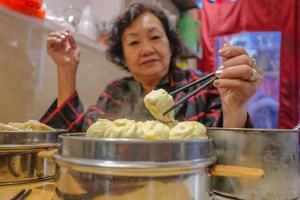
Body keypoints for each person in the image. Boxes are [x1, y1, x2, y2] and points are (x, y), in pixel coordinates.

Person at [40, 3, 261, 132]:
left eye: (155, 37)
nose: (146, 49)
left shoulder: (206, 86)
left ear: (171, 45)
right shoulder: (116, 91)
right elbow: (81, 139)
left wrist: (234, 107)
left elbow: (227, 156)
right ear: (123, 56)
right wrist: (66, 71)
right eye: (134, 42)